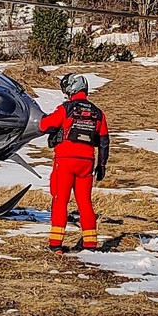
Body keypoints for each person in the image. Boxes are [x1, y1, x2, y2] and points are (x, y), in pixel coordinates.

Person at [39, 73, 109, 251]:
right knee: (85, 202)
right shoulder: (99, 113)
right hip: (87, 162)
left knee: (60, 200)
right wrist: (102, 165)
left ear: (71, 89)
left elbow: (44, 126)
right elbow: (103, 141)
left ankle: (56, 245)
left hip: (65, 160)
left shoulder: (66, 108)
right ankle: (90, 244)